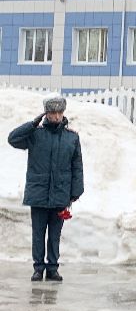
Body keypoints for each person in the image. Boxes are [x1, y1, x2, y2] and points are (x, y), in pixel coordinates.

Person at [8, 95, 84, 282]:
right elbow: (13, 139)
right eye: (52, 113)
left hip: (60, 194)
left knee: (55, 235)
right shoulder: (35, 134)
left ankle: (52, 268)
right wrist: (32, 124)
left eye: (59, 112)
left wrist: (76, 191)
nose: (56, 116)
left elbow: (77, 165)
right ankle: (38, 268)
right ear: (46, 114)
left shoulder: (71, 137)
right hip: (39, 194)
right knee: (38, 233)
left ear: (63, 113)